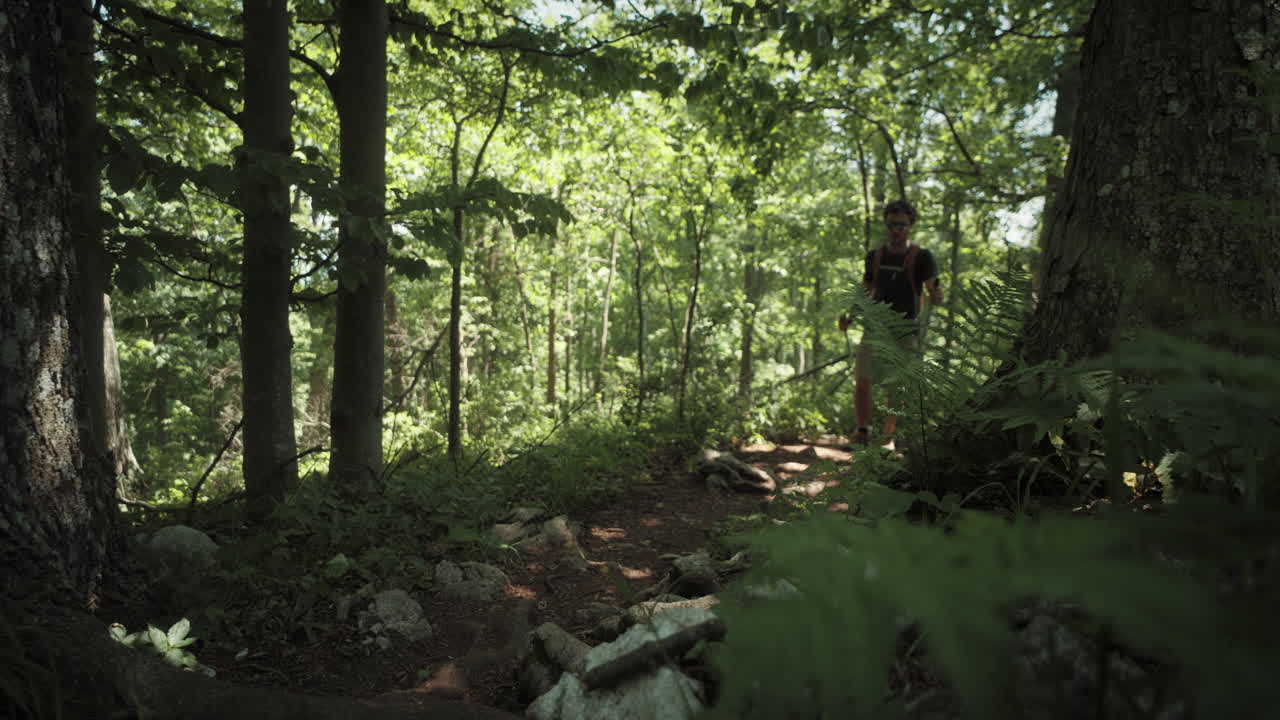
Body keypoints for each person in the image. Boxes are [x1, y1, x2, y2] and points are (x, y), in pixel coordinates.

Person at [839, 199, 943, 449]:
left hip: (906, 330)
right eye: (892, 224)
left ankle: (888, 438)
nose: (897, 230)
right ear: (886, 225)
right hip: (875, 329)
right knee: (863, 379)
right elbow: (865, 289)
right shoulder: (875, 257)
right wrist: (850, 315)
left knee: (896, 386)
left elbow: (933, 289)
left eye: (902, 225)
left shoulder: (922, 257)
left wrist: (936, 295)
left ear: (910, 226)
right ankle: (862, 431)